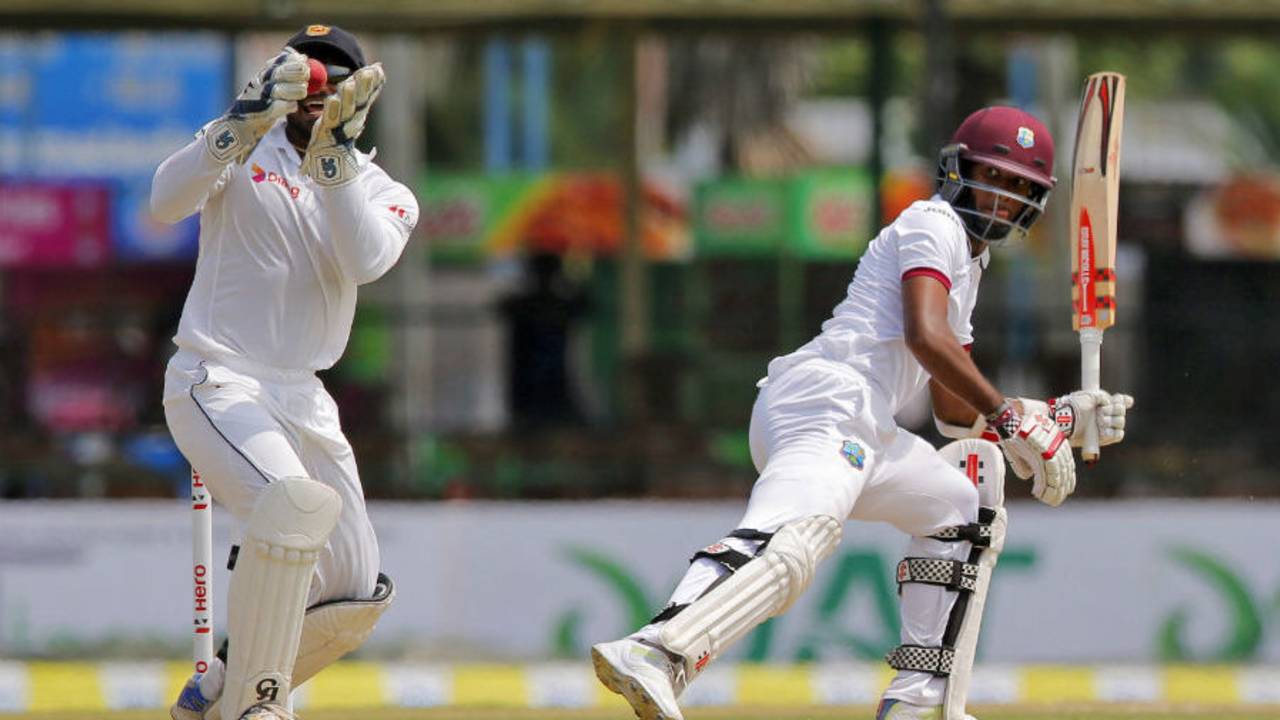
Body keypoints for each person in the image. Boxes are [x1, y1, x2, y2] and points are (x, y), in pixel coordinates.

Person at [591, 106, 1134, 720]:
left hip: (868, 427)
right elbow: (928, 338)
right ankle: (658, 649)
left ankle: (919, 702)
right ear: (958, 170)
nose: (1002, 197)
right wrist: (1012, 417)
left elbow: (954, 410)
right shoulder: (933, 223)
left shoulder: (971, 261)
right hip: (826, 400)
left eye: (1018, 188)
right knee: (797, 537)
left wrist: (1057, 417)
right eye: (993, 176)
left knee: (960, 505)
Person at [151, 24, 417, 720]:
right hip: (218, 378)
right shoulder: (241, 145)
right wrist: (239, 124)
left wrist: (335, 158)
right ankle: (258, 705)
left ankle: (219, 688)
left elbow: (363, 261)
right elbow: (165, 202)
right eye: (308, 70)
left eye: (335, 74)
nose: (317, 86)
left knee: (356, 593)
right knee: (290, 508)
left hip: (306, 396)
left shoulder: (385, 191)